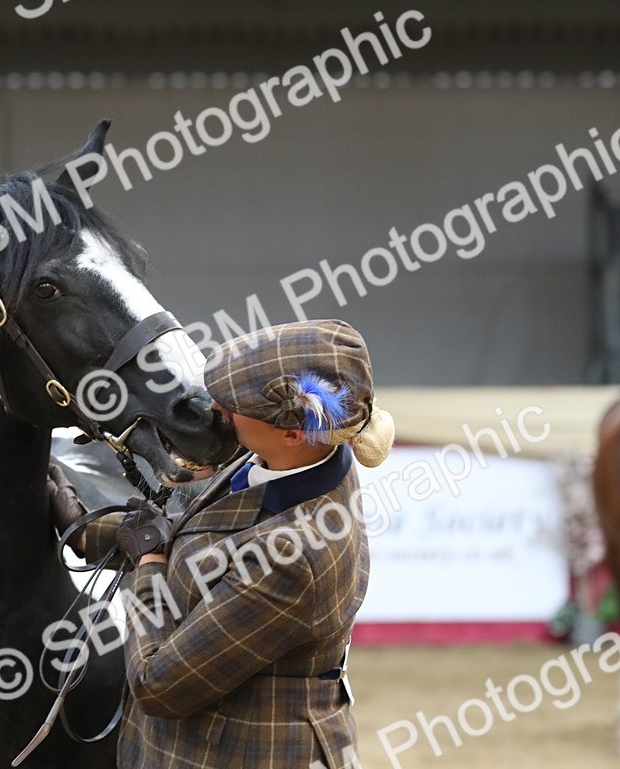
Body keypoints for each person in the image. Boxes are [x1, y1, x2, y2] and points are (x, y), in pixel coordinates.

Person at [57, 318, 394, 768]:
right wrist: (82, 527)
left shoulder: (293, 556)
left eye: (234, 404)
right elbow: (212, 542)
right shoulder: (308, 454)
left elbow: (158, 686)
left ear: (293, 431)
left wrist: (150, 562)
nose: (218, 408)